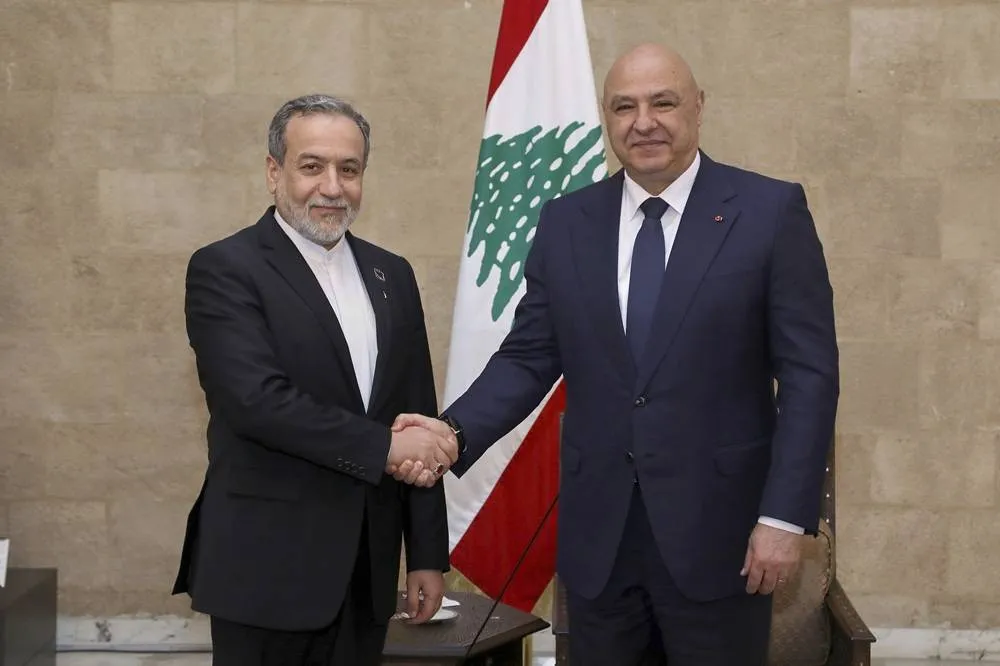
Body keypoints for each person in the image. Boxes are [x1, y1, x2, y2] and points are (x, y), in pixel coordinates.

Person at [392, 44, 839, 665]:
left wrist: (784, 518)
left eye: (663, 103)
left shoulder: (769, 212)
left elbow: (810, 378)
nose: (643, 122)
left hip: (723, 539)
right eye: (624, 107)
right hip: (599, 543)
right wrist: (452, 432)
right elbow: (529, 355)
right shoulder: (567, 222)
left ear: (699, 107)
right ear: (607, 116)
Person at [172, 94, 459, 666]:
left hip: (367, 573)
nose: (332, 186)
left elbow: (416, 412)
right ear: (274, 171)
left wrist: (428, 555)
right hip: (265, 570)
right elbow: (255, 401)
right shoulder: (225, 268)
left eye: (349, 169)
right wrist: (385, 448)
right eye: (312, 166)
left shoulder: (392, 274)